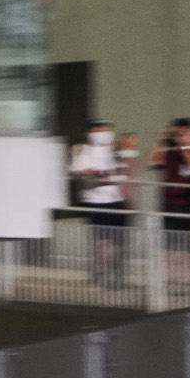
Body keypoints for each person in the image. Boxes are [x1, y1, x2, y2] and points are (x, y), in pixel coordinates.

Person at [149, 117, 190, 284]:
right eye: (178, 132)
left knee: (189, 245)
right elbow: (152, 161)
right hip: (169, 204)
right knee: (168, 245)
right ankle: (167, 279)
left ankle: (188, 279)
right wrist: (161, 141)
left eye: (185, 132)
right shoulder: (169, 152)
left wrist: (187, 144)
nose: (181, 135)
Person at [69, 119, 128, 285]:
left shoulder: (115, 150)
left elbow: (124, 170)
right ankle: (102, 270)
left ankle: (113, 271)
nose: (105, 133)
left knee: (116, 240)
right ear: (90, 133)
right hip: (95, 201)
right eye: (101, 130)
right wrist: (92, 173)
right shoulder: (82, 150)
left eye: (107, 129)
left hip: (116, 199)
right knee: (102, 241)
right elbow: (78, 170)